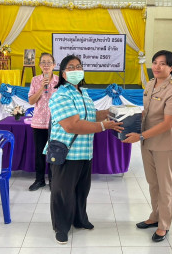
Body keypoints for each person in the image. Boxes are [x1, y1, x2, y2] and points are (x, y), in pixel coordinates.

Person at [45, 55, 123, 244]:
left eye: (78, 66)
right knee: (62, 192)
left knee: (81, 190)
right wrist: (105, 126)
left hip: (85, 152)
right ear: (63, 73)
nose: (75, 70)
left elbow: (90, 115)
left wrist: (108, 113)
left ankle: (79, 219)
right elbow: (72, 125)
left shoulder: (83, 92)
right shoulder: (61, 95)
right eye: (70, 67)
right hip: (66, 153)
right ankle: (61, 227)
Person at [123, 50, 172, 242]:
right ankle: (155, 216)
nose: (157, 67)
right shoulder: (150, 84)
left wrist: (140, 135)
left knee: (166, 186)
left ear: (171, 68)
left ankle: (164, 225)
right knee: (153, 184)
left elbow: (168, 123)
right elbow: (147, 113)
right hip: (148, 142)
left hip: (165, 144)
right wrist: (129, 117)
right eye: (155, 62)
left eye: (162, 64)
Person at [28, 53, 59, 191]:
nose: (46, 65)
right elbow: (31, 101)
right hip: (39, 123)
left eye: (49, 62)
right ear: (40, 65)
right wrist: (41, 87)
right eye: (43, 63)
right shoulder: (35, 80)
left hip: (56, 122)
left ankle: (54, 180)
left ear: (54, 65)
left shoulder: (60, 81)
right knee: (39, 153)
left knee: (54, 152)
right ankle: (39, 180)